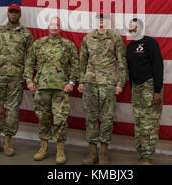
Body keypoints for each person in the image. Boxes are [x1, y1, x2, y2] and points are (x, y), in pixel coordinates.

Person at [23, 17, 79, 164]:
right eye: (52, 24)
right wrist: (29, 80)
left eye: (57, 25)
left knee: (61, 120)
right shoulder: (38, 44)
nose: (55, 27)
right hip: (41, 88)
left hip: (61, 89)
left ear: (60, 28)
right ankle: (44, 148)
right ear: (48, 26)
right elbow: (29, 64)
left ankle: (60, 150)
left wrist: (72, 82)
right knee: (43, 119)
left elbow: (75, 66)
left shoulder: (68, 45)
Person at [0, 4, 34, 157]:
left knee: (12, 111)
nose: (13, 14)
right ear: (7, 14)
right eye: (11, 12)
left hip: (15, 79)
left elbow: (31, 58)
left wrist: (26, 76)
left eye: (16, 12)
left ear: (20, 15)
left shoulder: (26, 34)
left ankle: (8, 142)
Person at [78, 10, 128, 165]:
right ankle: (93, 152)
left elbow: (122, 63)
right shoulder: (88, 38)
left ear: (109, 20)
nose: (101, 20)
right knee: (91, 118)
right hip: (90, 84)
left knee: (107, 119)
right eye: (99, 18)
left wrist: (120, 83)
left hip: (108, 84)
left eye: (104, 18)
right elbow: (82, 62)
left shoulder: (116, 39)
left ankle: (103, 153)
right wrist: (81, 81)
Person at [126, 18, 164, 165]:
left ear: (141, 28)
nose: (132, 29)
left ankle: (148, 157)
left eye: (135, 27)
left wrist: (157, 90)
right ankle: (142, 154)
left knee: (150, 123)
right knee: (139, 122)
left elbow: (158, 66)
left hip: (150, 86)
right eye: (130, 27)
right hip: (136, 88)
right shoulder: (129, 47)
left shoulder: (150, 43)